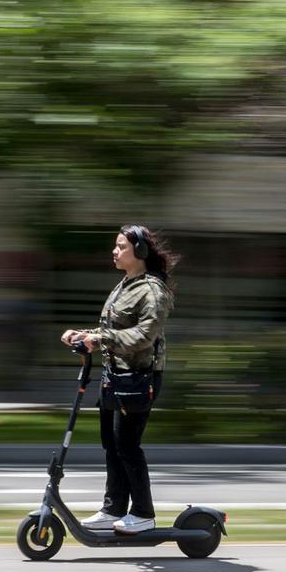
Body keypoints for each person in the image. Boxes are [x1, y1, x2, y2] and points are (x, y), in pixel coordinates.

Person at [61, 224, 177, 535]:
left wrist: (97, 341)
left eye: (121, 246)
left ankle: (142, 513)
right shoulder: (124, 285)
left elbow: (144, 335)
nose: (115, 251)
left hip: (139, 378)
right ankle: (113, 507)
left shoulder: (152, 290)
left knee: (128, 445)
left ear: (139, 252)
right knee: (111, 445)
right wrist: (85, 335)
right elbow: (115, 329)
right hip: (114, 376)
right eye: (116, 246)